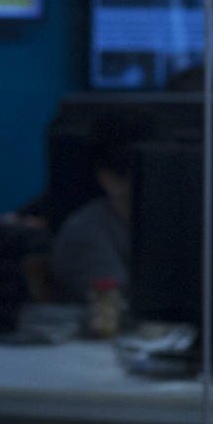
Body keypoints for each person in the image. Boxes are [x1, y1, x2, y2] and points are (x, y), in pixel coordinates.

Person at [47, 110, 156, 303]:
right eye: (153, 169)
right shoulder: (85, 235)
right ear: (111, 181)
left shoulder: (152, 228)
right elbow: (125, 308)